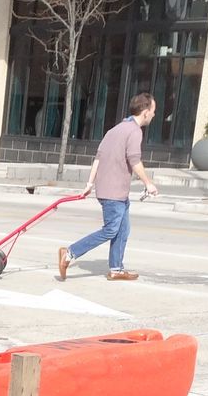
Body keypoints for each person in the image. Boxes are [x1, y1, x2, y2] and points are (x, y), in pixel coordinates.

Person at [59, 93, 161, 282]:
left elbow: (98, 157)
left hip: (112, 191)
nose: (154, 115)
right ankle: (70, 253)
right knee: (111, 230)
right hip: (114, 192)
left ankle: (116, 269)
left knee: (123, 230)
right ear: (145, 112)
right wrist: (148, 183)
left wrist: (90, 184)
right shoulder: (134, 131)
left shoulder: (114, 130)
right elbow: (134, 160)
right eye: (153, 111)